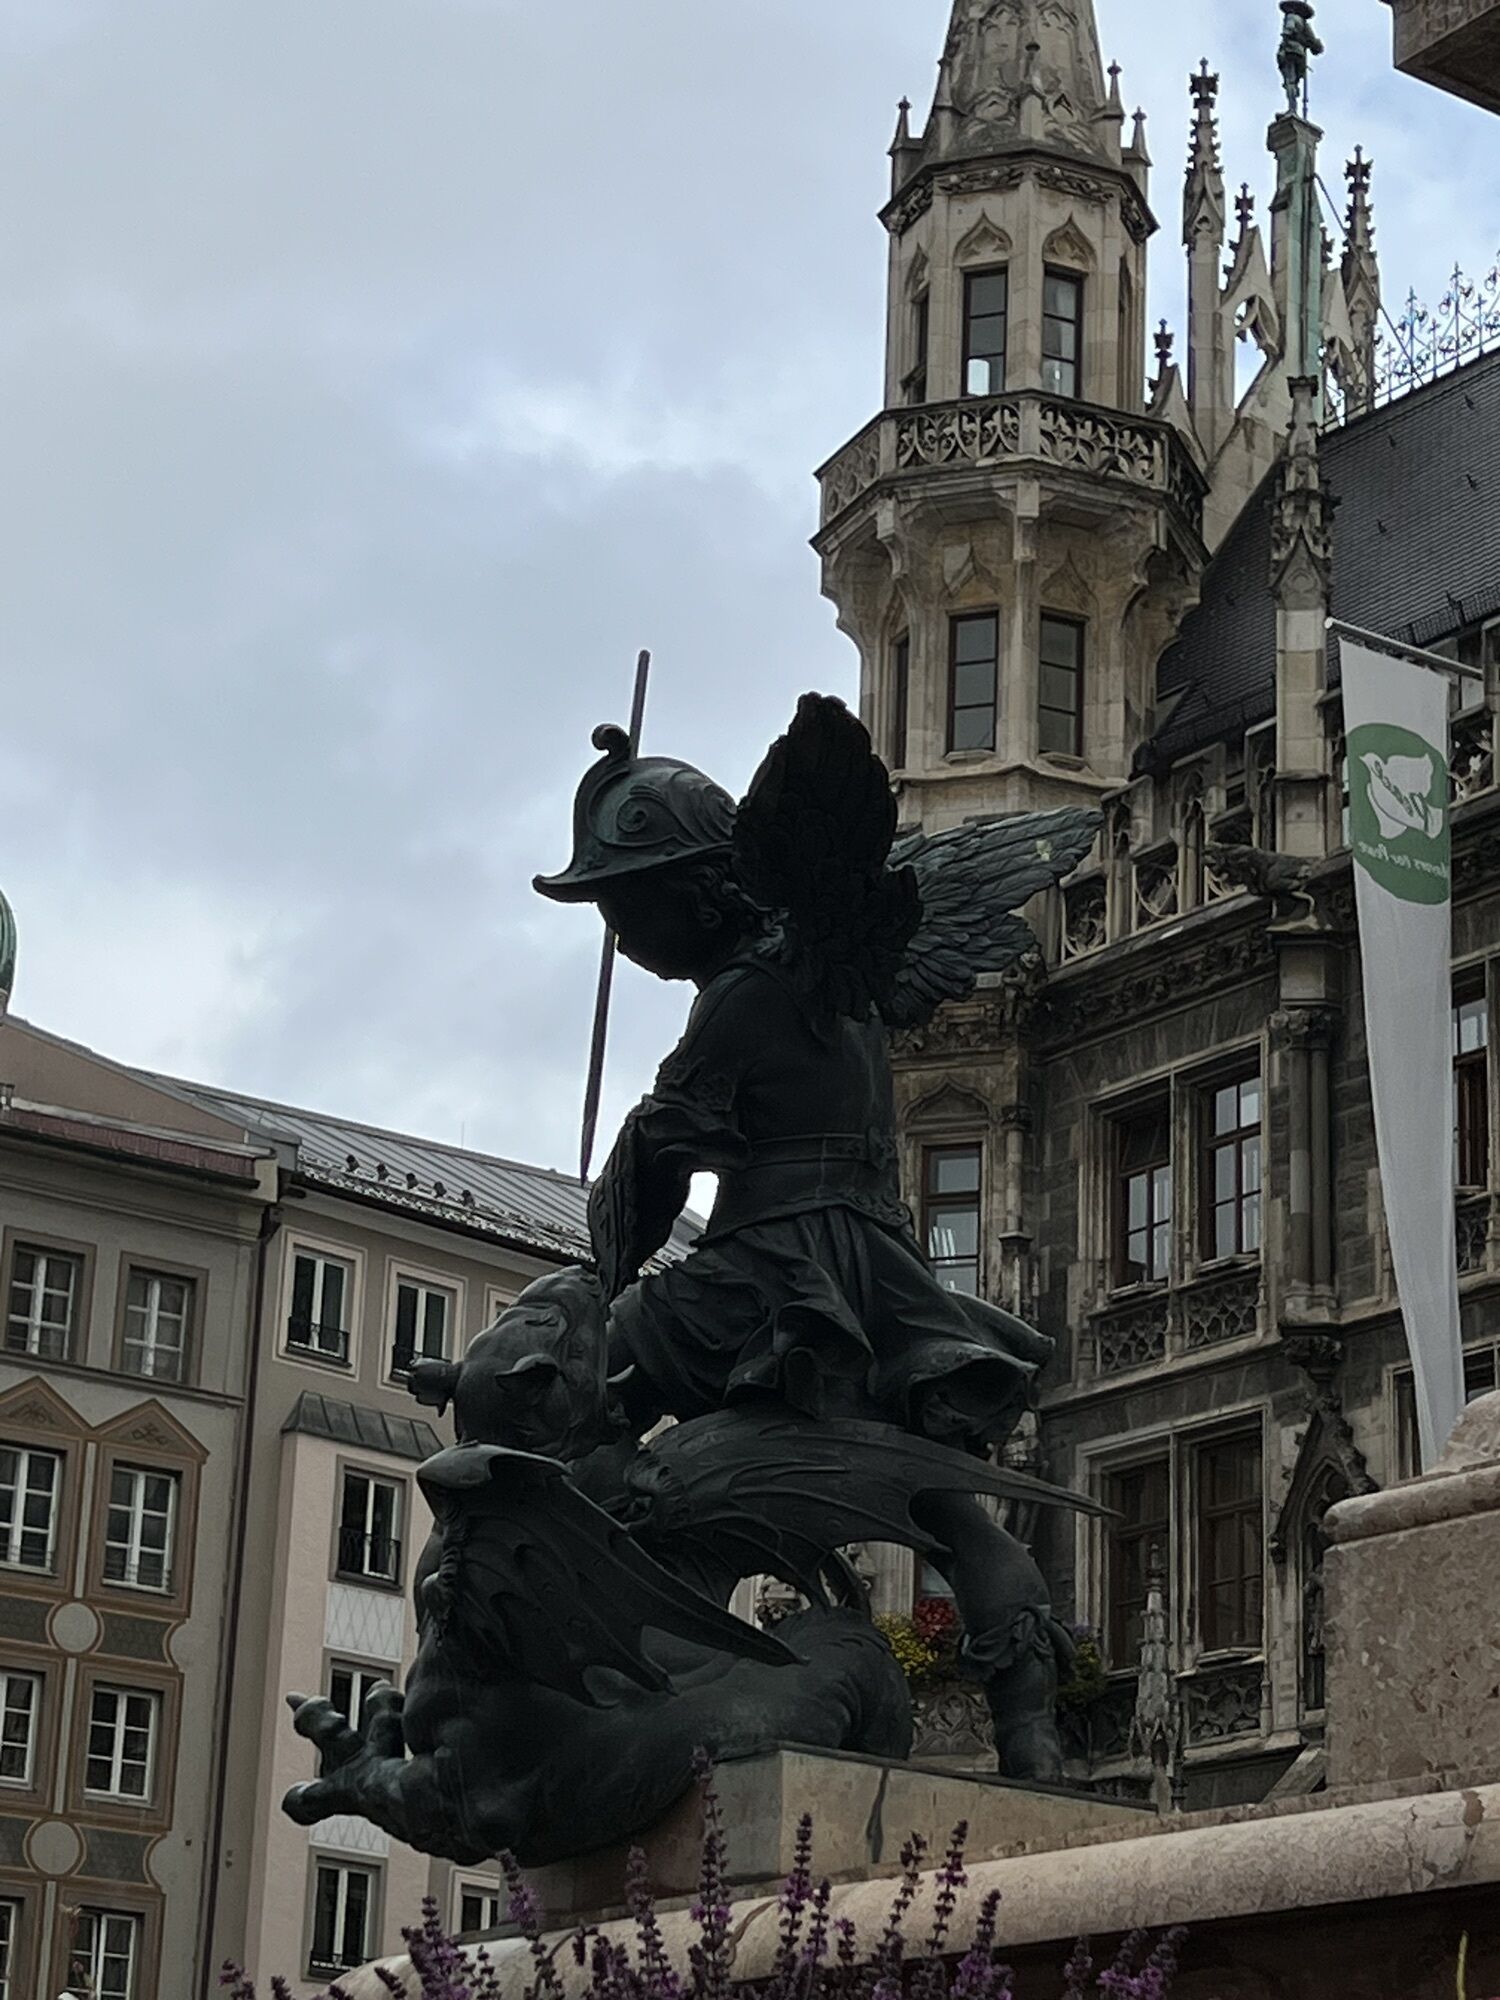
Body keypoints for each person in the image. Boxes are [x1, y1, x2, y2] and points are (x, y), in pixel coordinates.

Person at [535, 718, 1077, 1781]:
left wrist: (604, 1264)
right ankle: (1030, 1725)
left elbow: (670, 1143)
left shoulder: (744, 993)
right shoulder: (836, 980)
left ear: (695, 893)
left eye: (623, 909)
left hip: (771, 1267)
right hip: (877, 1267)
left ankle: (586, 1650)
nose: (620, 939)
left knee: (596, 1379)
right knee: (943, 1502)